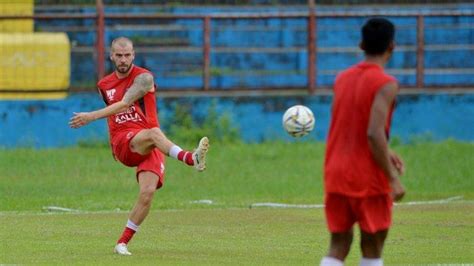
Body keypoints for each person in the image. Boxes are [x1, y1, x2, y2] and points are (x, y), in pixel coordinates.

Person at [69, 37, 209, 256]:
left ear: (133, 55)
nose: (123, 60)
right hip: (125, 142)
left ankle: (122, 243)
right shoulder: (103, 85)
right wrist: (110, 142)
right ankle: (191, 159)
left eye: (127, 55)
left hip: (150, 143)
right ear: (111, 56)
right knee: (154, 133)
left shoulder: (144, 78)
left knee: (147, 193)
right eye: (119, 55)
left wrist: (89, 116)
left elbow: (125, 103)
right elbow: (113, 115)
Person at [320, 18, 406, 266]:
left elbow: (353, 126)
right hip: (366, 177)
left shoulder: (342, 79)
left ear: (361, 44)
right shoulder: (386, 84)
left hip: (336, 172)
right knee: (372, 246)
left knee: (338, 245)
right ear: (392, 46)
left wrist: (386, 151)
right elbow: (373, 133)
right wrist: (392, 177)